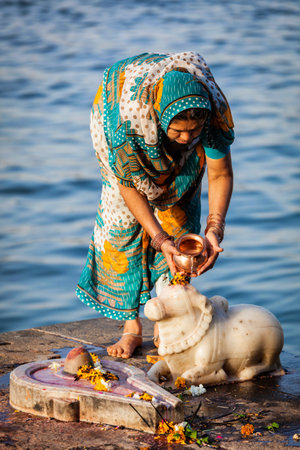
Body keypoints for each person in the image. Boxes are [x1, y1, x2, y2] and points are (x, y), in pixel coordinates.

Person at [76, 52, 234, 358]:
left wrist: (215, 228)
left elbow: (221, 172)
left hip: (170, 117)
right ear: (161, 122)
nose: (187, 138)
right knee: (121, 224)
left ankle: (166, 323)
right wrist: (158, 238)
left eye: (194, 131)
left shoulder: (210, 115)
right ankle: (131, 327)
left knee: (182, 224)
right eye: (178, 131)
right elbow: (126, 186)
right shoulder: (128, 128)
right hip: (116, 107)